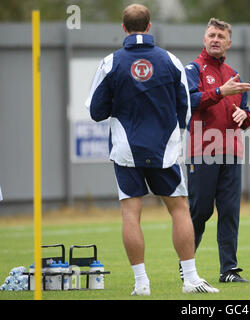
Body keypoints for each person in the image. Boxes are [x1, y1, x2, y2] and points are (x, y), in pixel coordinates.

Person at [85, 4, 218, 295]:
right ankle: (191, 279)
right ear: (149, 26)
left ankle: (141, 283)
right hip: (165, 150)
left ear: (124, 28)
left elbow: (96, 111)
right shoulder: (170, 61)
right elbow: (185, 107)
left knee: (131, 214)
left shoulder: (110, 62)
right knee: (180, 210)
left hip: (125, 149)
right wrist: (173, 137)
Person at [184, 18, 250, 283]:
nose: (215, 39)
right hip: (202, 150)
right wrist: (219, 92)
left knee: (229, 212)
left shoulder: (234, 75)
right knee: (200, 211)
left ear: (228, 43)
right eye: (211, 35)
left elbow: (245, 114)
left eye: (220, 36)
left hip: (232, 152)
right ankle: (186, 265)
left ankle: (229, 270)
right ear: (204, 39)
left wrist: (243, 117)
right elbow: (188, 102)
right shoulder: (194, 69)